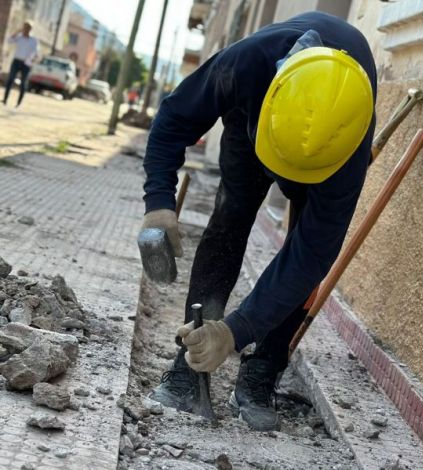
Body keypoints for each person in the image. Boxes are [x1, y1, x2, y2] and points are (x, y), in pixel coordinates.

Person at [141, 11, 376, 431]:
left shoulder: (347, 143)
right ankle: (189, 364)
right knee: (230, 218)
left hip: (323, 151)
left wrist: (236, 330)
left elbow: (310, 255)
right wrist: (158, 200)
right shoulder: (244, 65)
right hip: (255, 125)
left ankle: (261, 371)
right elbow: (174, 118)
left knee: (300, 259)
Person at [2, 21, 39, 108]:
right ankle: (5, 99)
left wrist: (33, 60)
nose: (26, 30)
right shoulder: (19, 37)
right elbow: (9, 40)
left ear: (30, 29)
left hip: (26, 63)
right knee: (10, 80)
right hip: (16, 61)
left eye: (27, 28)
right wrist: (17, 31)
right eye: (24, 27)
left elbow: (36, 52)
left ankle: (19, 103)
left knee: (23, 83)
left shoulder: (34, 40)